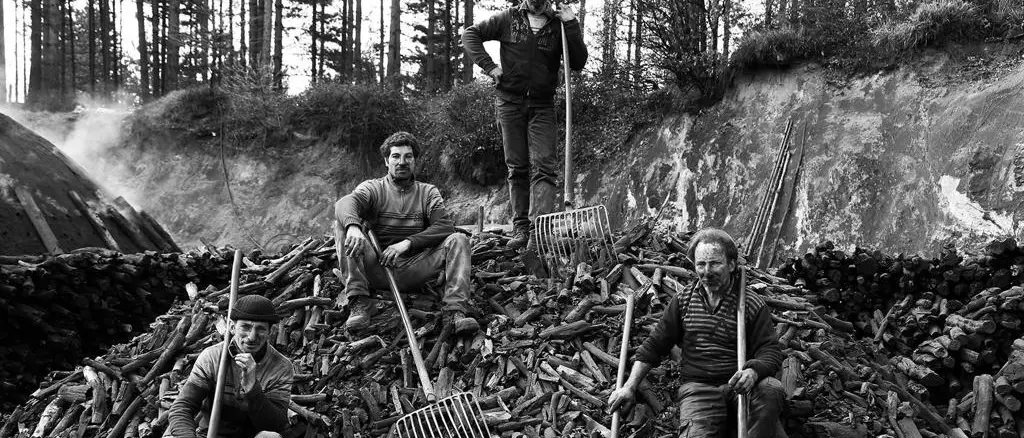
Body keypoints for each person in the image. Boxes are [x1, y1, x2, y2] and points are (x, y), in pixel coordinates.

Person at [607, 228, 786, 438]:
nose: (707, 271)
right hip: (699, 390)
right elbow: (655, 346)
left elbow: (771, 351)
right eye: (701, 264)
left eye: (715, 263)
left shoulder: (750, 303)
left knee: (771, 389)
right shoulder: (684, 301)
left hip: (740, 386)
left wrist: (753, 372)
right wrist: (629, 387)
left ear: (731, 264)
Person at [462, 0, 588, 250]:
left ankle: (538, 230)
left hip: (542, 105)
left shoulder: (558, 24)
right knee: (517, 167)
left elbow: (578, 62)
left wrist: (571, 24)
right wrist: (489, 66)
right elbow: (470, 34)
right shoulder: (507, 19)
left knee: (544, 166)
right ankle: (521, 229)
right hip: (509, 102)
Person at [335, 131, 479, 335]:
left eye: (408, 157)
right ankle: (360, 301)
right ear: (386, 161)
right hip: (377, 268)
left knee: (459, 239)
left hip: (416, 267)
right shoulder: (373, 188)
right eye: (395, 156)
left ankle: (454, 311)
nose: (402, 162)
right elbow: (345, 203)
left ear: (414, 161)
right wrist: (353, 227)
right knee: (343, 225)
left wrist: (406, 244)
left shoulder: (428, 192)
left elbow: (444, 227)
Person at [165, 295, 293, 438]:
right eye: (245, 327)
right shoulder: (212, 357)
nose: (251, 336)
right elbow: (182, 407)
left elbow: (276, 425)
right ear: (232, 327)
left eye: (261, 329)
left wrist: (252, 389)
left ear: (270, 331)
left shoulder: (281, 367)